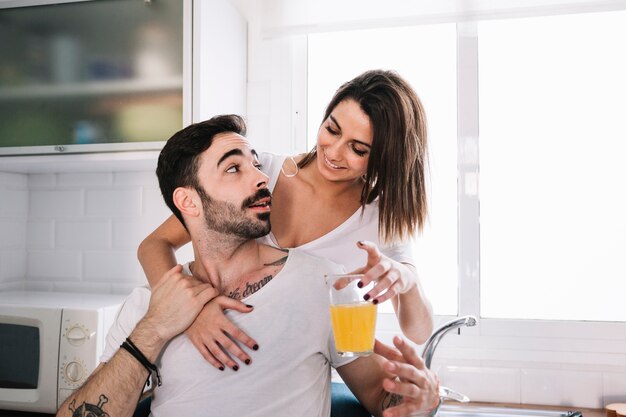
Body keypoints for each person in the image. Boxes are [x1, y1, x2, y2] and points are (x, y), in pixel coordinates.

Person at [56, 115, 439, 417]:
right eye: (234, 169)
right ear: (188, 203)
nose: (261, 177)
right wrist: (153, 332)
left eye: (256, 165)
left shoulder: (327, 284)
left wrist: (421, 401)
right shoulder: (149, 307)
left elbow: (380, 397)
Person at [137, 70, 434, 372]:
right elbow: (154, 245)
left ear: (385, 157)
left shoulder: (379, 219)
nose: (333, 152)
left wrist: (407, 281)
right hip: (215, 356)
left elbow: (418, 331)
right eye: (332, 130)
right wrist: (193, 312)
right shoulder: (259, 172)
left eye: (357, 149)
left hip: (292, 373)